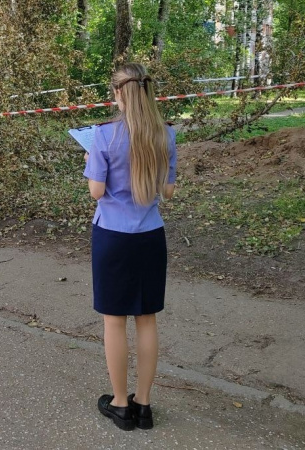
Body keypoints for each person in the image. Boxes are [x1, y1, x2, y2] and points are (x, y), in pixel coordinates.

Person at [82, 62, 177, 431]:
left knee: (114, 321)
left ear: (118, 93)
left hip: (113, 238)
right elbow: (167, 192)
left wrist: (91, 161)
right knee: (147, 319)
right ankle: (145, 405)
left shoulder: (102, 136)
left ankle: (121, 405)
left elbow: (97, 191)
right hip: (150, 236)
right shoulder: (165, 135)